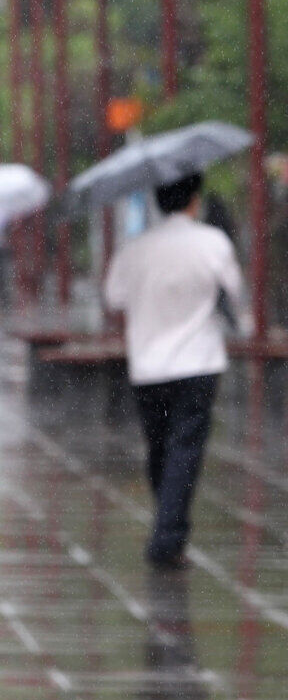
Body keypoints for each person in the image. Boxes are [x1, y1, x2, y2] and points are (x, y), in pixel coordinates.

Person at [104, 171, 245, 570]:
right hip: (198, 362)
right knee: (185, 447)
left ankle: (169, 529)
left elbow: (113, 296)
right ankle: (168, 535)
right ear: (194, 200)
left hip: (148, 364)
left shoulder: (135, 248)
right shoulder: (211, 242)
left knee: (160, 446)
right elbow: (235, 288)